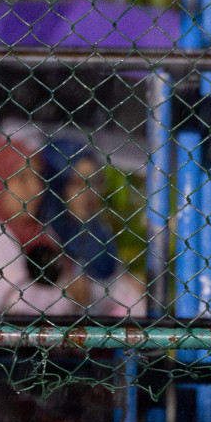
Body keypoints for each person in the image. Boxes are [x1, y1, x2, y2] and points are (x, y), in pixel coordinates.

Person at [0, 130, 89, 318]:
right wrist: (70, 297)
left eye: (38, 177)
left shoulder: (35, 232)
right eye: (22, 178)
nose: (37, 188)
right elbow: (20, 304)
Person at [37, 137, 145, 319]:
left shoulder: (98, 235)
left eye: (93, 182)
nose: (87, 194)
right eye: (76, 183)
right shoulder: (41, 236)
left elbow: (120, 292)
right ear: (57, 186)